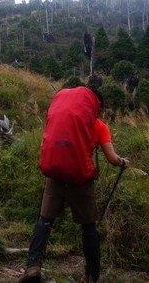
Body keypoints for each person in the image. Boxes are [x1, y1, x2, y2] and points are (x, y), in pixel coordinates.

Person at [19, 76, 129, 283]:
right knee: (88, 227)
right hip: (80, 179)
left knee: (44, 221)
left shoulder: (66, 117)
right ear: (97, 107)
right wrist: (123, 162)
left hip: (55, 174)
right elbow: (112, 159)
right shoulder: (100, 126)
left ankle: (33, 267)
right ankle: (92, 274)